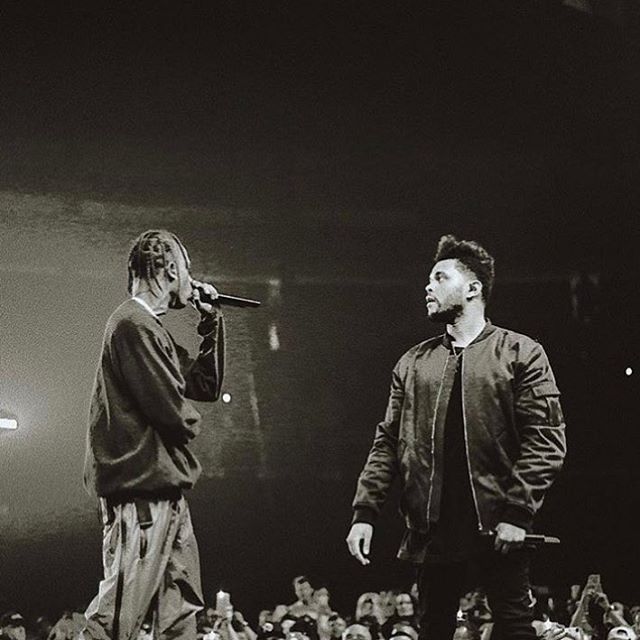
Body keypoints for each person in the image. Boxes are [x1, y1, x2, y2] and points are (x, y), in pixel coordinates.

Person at [346, 235, 567, 640]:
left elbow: (546, 440)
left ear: (473, 287)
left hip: (498, 523)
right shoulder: (412, 363)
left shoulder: (520, 352)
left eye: (439, 278)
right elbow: (388, 443)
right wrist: (365, 513)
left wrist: (517, 513)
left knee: (516, 626)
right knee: (434, 629)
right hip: (432, 529)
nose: (427, 287)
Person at [81, 229, 225, 640]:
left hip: (162, 491)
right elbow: (172, 413)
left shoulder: (150, 328)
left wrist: (212, 322)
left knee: (178, 615)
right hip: (141, 492)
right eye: (187, 268)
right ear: (170, 268)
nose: (191, 278)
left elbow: (204, 386)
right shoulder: (132, 323)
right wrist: (190, 434)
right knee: (120, 614)